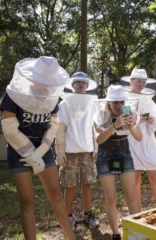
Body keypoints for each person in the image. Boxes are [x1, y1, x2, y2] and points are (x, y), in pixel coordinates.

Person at [0, 56, 76, 239]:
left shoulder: (52, 96)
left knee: (56, 196)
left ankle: (70, 237)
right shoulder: (14, 92)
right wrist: (30, 154)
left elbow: (54, 125)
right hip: (18, 152)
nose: (44, 85)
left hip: (43, 149)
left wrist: (40, 152)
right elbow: (9, 129)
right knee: (27, 202)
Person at [94, 85, 142, 240]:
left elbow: (139, 137)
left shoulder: (130, 112)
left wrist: (130, 126)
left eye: (122, 101)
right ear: (109, 103)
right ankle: (116, 233)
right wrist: (115, 125)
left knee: (131, 194)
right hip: (105, 155)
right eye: (115, 102)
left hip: (124, 153)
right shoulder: (101, 115)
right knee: (111, 197)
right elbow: (99, 139)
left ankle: (135, 231)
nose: (120, 105)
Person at [55, 72, 99, 229]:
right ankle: (68, 216)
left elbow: (95, 127)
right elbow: (60, 129)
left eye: (84, 82)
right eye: (78, 82)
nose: (81, 84)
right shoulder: (64, 104)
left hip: (87, 151)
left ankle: (88, 214)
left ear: (87, 86)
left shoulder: (93, 103)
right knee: (70, 185)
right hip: (70, 152)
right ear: (72, 85)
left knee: (87, 183)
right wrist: (59, 152)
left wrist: (96, 147)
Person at [121, 68, 156, 206]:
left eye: (143, 82)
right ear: (131, 81)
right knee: (135, 178)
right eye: (138, 81)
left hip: (147, 141)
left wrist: (152, 121)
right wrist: (139, 118)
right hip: (131, 141)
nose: (141, 84)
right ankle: (137, 212)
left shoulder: (150, 102)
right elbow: (126, 120)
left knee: (153, 176)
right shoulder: (124, 101)